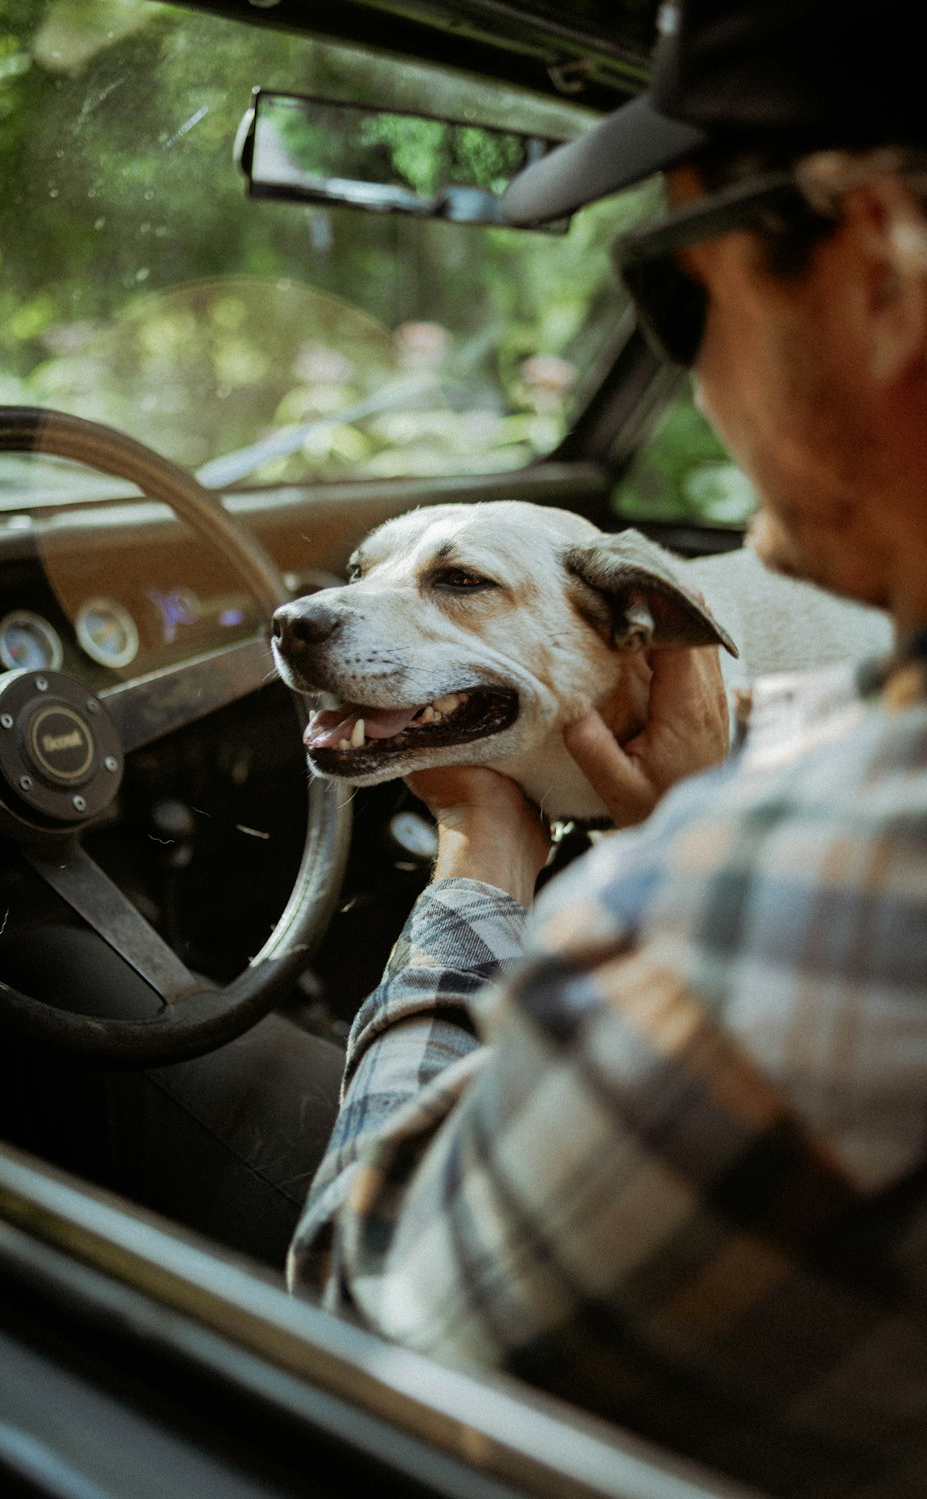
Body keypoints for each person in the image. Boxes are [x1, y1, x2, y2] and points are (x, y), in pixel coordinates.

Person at [287, 2, 927, 1494]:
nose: (694, 380)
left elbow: (346, 1333)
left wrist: (475, 871)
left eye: (671, 291)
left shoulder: (782, 910)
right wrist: (690, 806)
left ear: (882, 272)